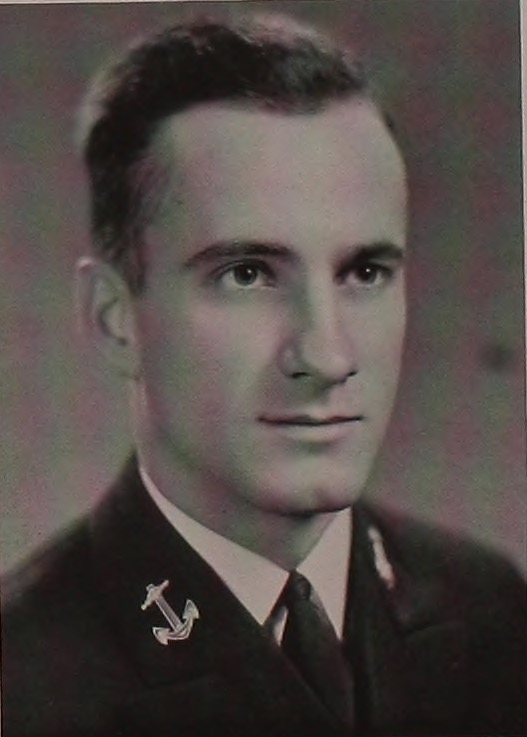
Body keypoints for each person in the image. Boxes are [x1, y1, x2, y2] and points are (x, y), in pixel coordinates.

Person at [2, 13, 525, 737]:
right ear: (115, 320)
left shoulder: (491, 609)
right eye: (247, 274)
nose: (327, 355)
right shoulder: (22, 681)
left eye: (364, 272)